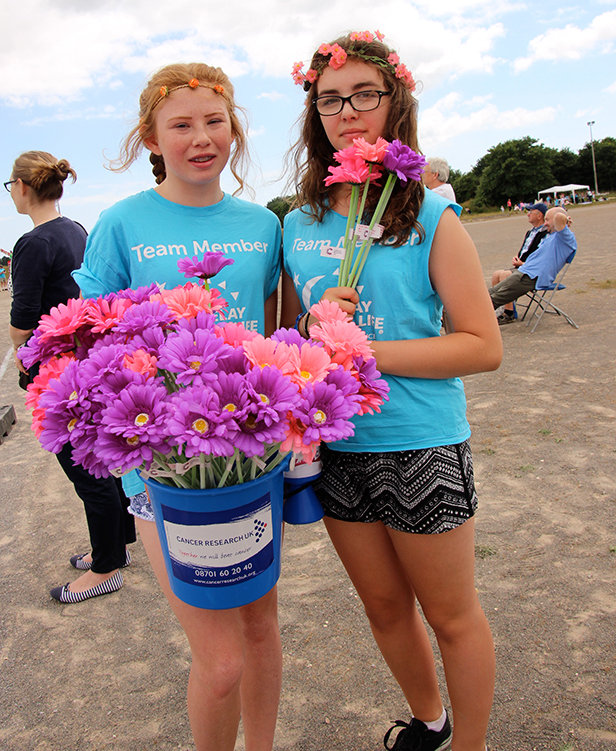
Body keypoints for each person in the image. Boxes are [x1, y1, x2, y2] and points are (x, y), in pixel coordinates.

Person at [282, 31, 502, 751]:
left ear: (394, 103)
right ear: (315, 113)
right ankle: (431, 722)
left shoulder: (431, 216)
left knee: (451, 614)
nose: (348, 112)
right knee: (382, 606)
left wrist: (362, 347)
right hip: (338, 449)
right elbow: (290, 341)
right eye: (330, 100)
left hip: (420, 443)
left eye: (364, 96)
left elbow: (481, 344)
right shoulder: (298, 223)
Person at [73, 63, 282, 751]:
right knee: (220, 661)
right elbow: (84, 339)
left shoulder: (261, 225)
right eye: (182, 125)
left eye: (215, 122)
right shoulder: (122, 223)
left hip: (248, 468)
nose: (201, 138)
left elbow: (271, 342)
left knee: (260, 631)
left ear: (235, 130)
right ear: (151, 138)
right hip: (162, 478)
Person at [7, 150, 136, 604]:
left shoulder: (33, 242)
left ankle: (105, 567)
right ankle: (117, 544)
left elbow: (23, 319)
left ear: (23, 187)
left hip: (54, 372)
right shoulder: (76, 230)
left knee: (85, 468)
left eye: (10, 186)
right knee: (99, 460)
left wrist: (16, 345)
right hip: (84, 364)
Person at [488, 207, 576, 320]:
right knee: (489, 293)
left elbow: (559, 216)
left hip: (531, 277)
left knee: (493, 299)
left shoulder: (565, 237)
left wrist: (565, 220)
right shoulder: (553, 236)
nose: (545, 223)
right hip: (524, 272)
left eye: (547, 220)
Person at [491, 202, 548, 324]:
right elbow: (525, 250)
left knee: (504, 275)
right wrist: (518, 259)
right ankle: (499, 311)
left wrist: (522, 263)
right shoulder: (530, 232)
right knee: (496, 274)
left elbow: (539, 256)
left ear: (539, 216)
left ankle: (509, 312)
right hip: (522, 266)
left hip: (529, 270)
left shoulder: (545, 234)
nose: (528, 215)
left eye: (530, 212)